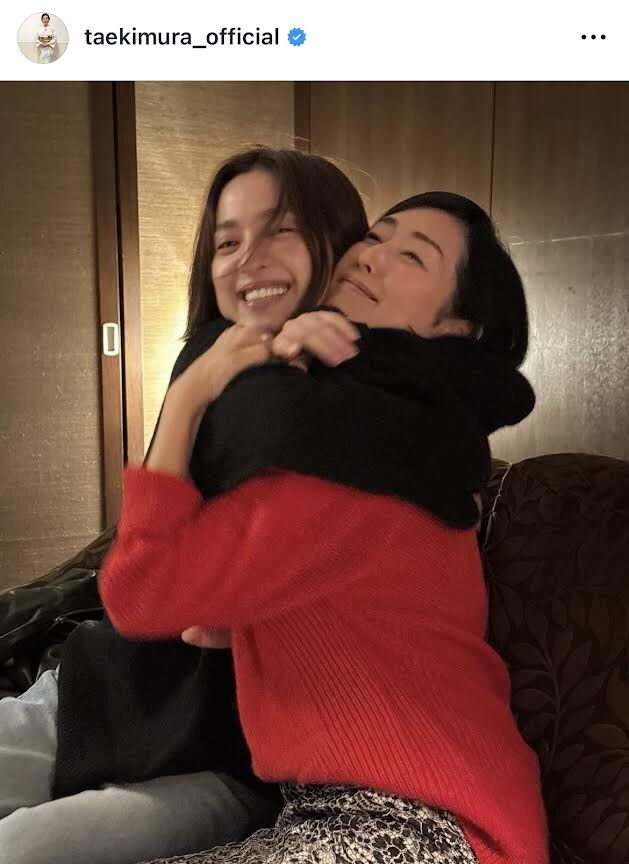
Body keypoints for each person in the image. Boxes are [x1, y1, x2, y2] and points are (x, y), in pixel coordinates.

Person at [98, 190, 549, 863]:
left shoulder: (359, 455)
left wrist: (189, 395)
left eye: (412, 257)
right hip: (342, 817)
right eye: (374, 237)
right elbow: (212, 614)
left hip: (428, 827)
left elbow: (141, 592)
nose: (370, 258)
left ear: (454, 327)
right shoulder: (409, 438)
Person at [0, 149, 369, 864]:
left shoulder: (376, 405)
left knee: (21, 849)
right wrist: (191, 393)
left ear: (339, 242)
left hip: (233, 756)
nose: (248, 259)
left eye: (279, 229)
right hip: (109, 689)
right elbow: (146, 573)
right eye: (228, 242)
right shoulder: (212, 364)